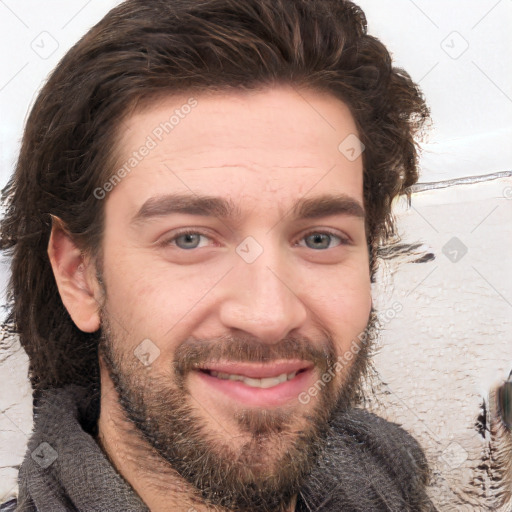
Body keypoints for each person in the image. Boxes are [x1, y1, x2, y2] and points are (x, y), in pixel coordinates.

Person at [0, 0, 435, 510]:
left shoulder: (393, 479)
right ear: (80, 276)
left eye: (319, 238)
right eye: (190, 239)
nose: (269, 316)